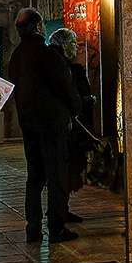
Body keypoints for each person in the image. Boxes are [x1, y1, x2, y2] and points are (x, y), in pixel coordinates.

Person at [7, 8, 80, 243]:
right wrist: (75, 108)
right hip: (52, 124)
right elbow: (65, 87)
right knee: (57, 175)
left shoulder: (16, 56)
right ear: (39, 27)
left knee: (35, 176)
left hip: (29, 125)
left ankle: (33, 227)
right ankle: (56, 227)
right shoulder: (47, 54)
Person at [50, 26, 96, 190]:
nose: (76, 47)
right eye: (72, 43)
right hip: (71, 126)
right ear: (64, 45)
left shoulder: (67, 67)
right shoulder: (66, 68)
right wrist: (85, 101)